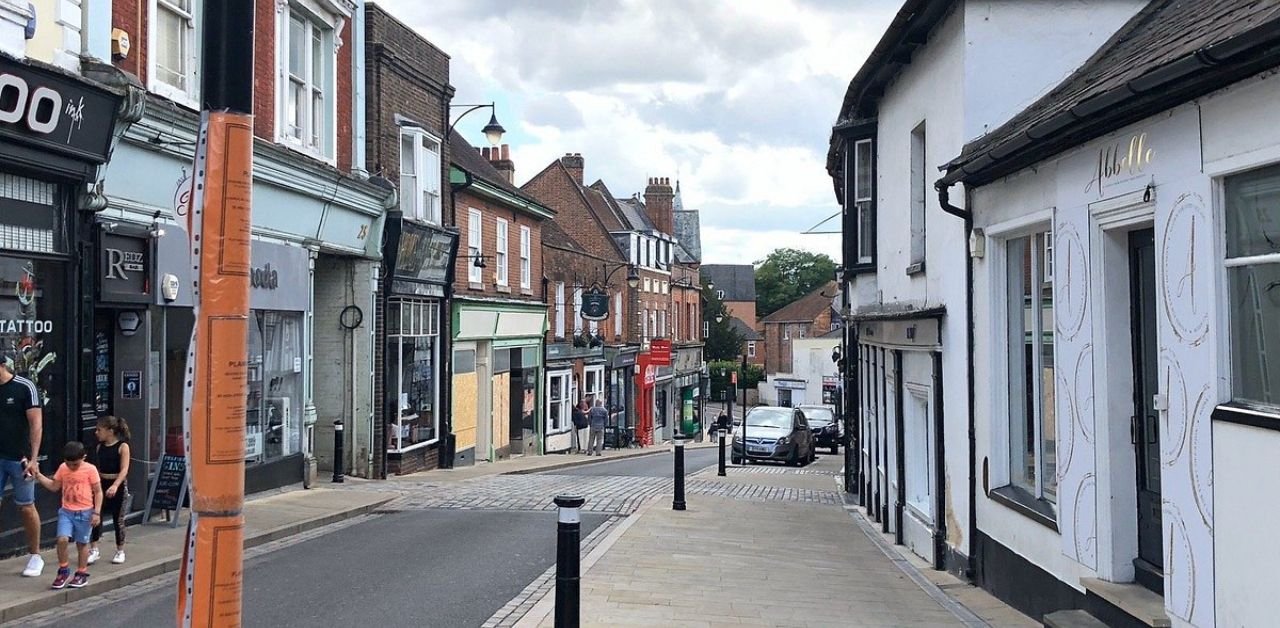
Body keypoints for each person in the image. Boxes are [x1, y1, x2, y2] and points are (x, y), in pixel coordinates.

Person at [32, 441, 101, 589]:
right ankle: (63, 570)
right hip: (66, 511)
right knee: (62, 539)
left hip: (85, 511)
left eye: (75, 464)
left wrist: (97, 512)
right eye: (69, 464)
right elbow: (54, 486)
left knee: (82, 543)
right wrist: (38, 475)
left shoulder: (90, 470)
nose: (71, 467)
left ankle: (81, 573)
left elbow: (98, 491)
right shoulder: (63, 469)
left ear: (84, 458)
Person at [0, 359, 44, 577]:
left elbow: (36, 423)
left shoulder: (24, 386)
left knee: (26, 506)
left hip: (20, 458)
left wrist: (34, 459)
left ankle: (35, 555)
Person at [90, 416, 131, 565]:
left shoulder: (122, 446)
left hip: (117, 484)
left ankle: (120, 550)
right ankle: (94, 548)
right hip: (101, 483)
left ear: (110, 431)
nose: (96, 433)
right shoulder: (99, 447)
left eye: (99, 430)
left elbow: (124, 469)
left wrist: (115, 485)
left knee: (117, 519)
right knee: (95, 515)